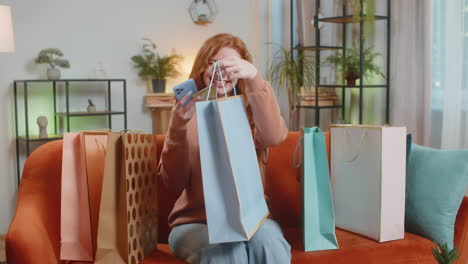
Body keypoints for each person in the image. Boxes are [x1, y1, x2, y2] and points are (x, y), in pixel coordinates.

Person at [157, 33, 290, 264]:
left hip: (250, 220)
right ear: (202, 67)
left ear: (241, 71)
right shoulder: (187, 113)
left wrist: (255, 77)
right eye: (212, 62)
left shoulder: (251, 112)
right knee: (228, 252)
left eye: (231, 64)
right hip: (195, 223)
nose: (220, 70)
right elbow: (173, 181)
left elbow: (274, 136)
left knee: (270, 242)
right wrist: (178, 127)